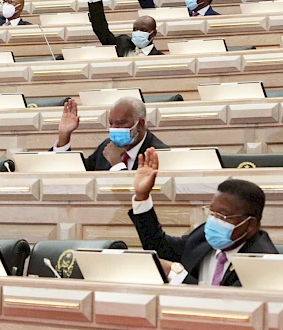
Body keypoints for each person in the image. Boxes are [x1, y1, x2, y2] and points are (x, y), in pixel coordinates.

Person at [130, 148, 277, 285]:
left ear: (250, 225)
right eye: (212, 213)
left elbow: (229, 304)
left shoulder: (264, 263)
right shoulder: (203, 236)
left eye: (222, 216)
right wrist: (142, 197)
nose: (214, 221)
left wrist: (177, 275)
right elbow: (160, 248)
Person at [53, 97, 168, 171]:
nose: (114, 129)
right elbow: (78, 174)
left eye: (120, 123)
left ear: (140, 124)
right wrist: (64, 135)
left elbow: (139, 194)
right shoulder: (107, 146)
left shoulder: (158, 154)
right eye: (111, 124)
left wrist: (117, 163)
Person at [90, 0, 162, 57]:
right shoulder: (122, 44)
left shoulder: (159, 58)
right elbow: (100, 27)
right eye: (135, 29)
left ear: (153, 34)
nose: (138, 33)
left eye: (143, 30)